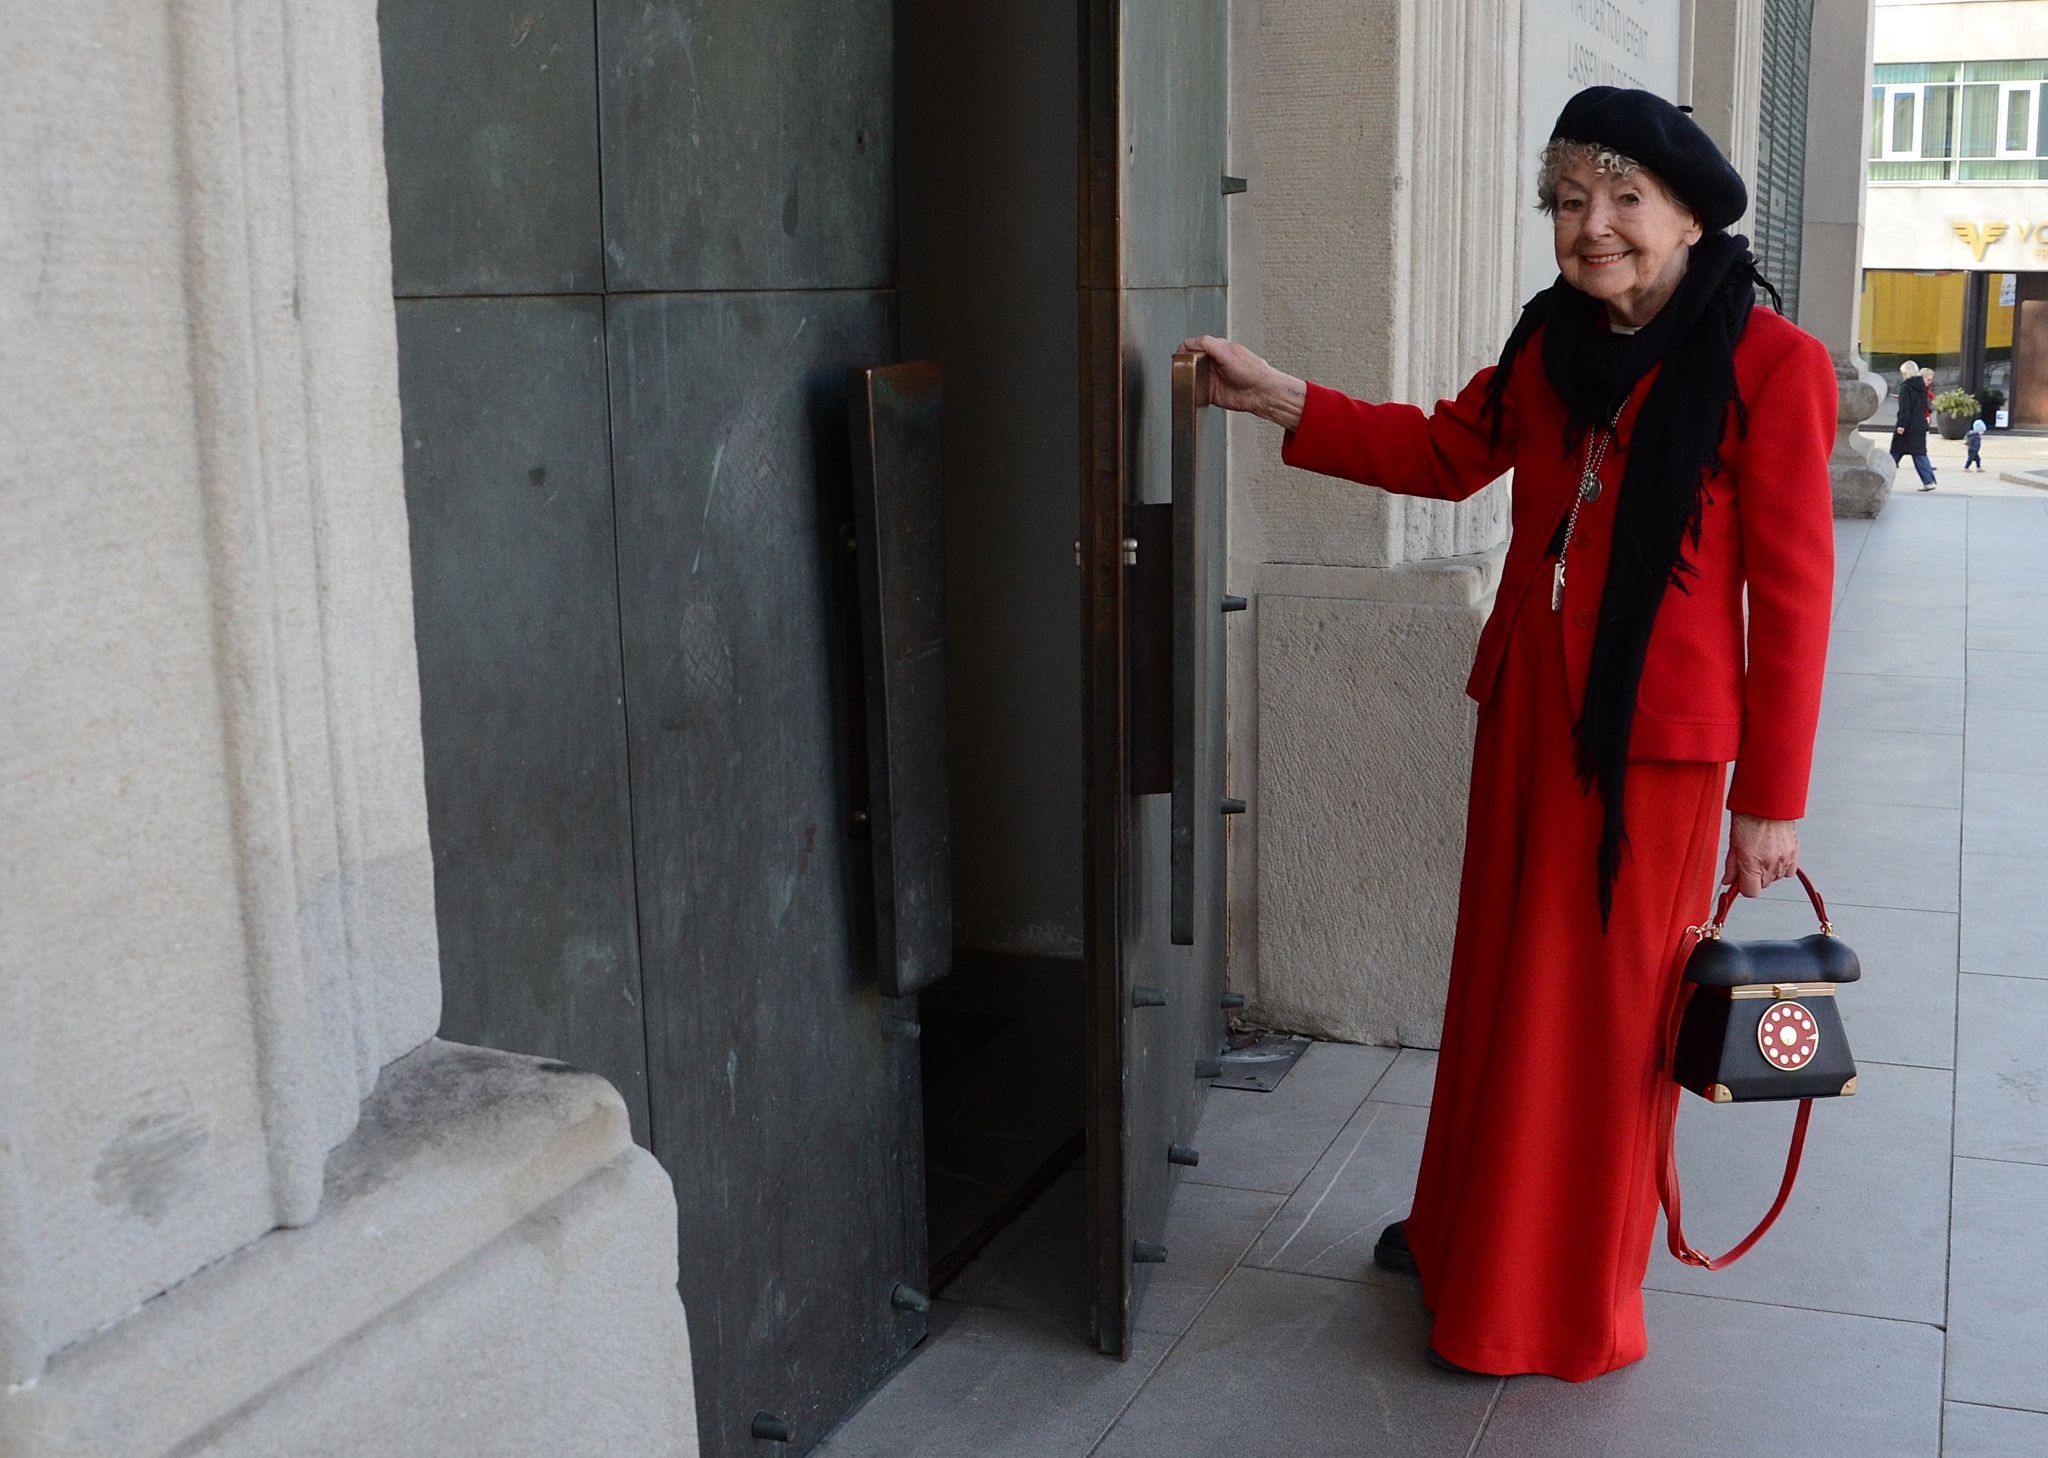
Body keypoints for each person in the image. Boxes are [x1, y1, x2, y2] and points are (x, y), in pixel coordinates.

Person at [1181, 87, 1835, 1382]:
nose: (1592, 228)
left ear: (1691, 213)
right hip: (1531, 715)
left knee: (1599, 1019)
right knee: (1499, 987)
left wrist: (1775, 797)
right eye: (1566, 201)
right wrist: (1281, 399)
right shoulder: (1552, 345)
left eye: (1621, 199)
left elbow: (1797, 591)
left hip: (1655, 752)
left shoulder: (1774, 365)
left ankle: (1552, 1304)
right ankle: (1468, 1232)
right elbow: (1443, 451)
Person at [1893, 361, 1936, 491]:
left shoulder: (1906, 388)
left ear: (1906, 373)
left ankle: (1882, 478)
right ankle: (1929, 481)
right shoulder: (1922, 387)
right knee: (1919, 454)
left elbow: (1905, 408)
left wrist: (1901, 425)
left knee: (1895, 454)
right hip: (1919, 425)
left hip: (1907, 427)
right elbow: (1923, 406)